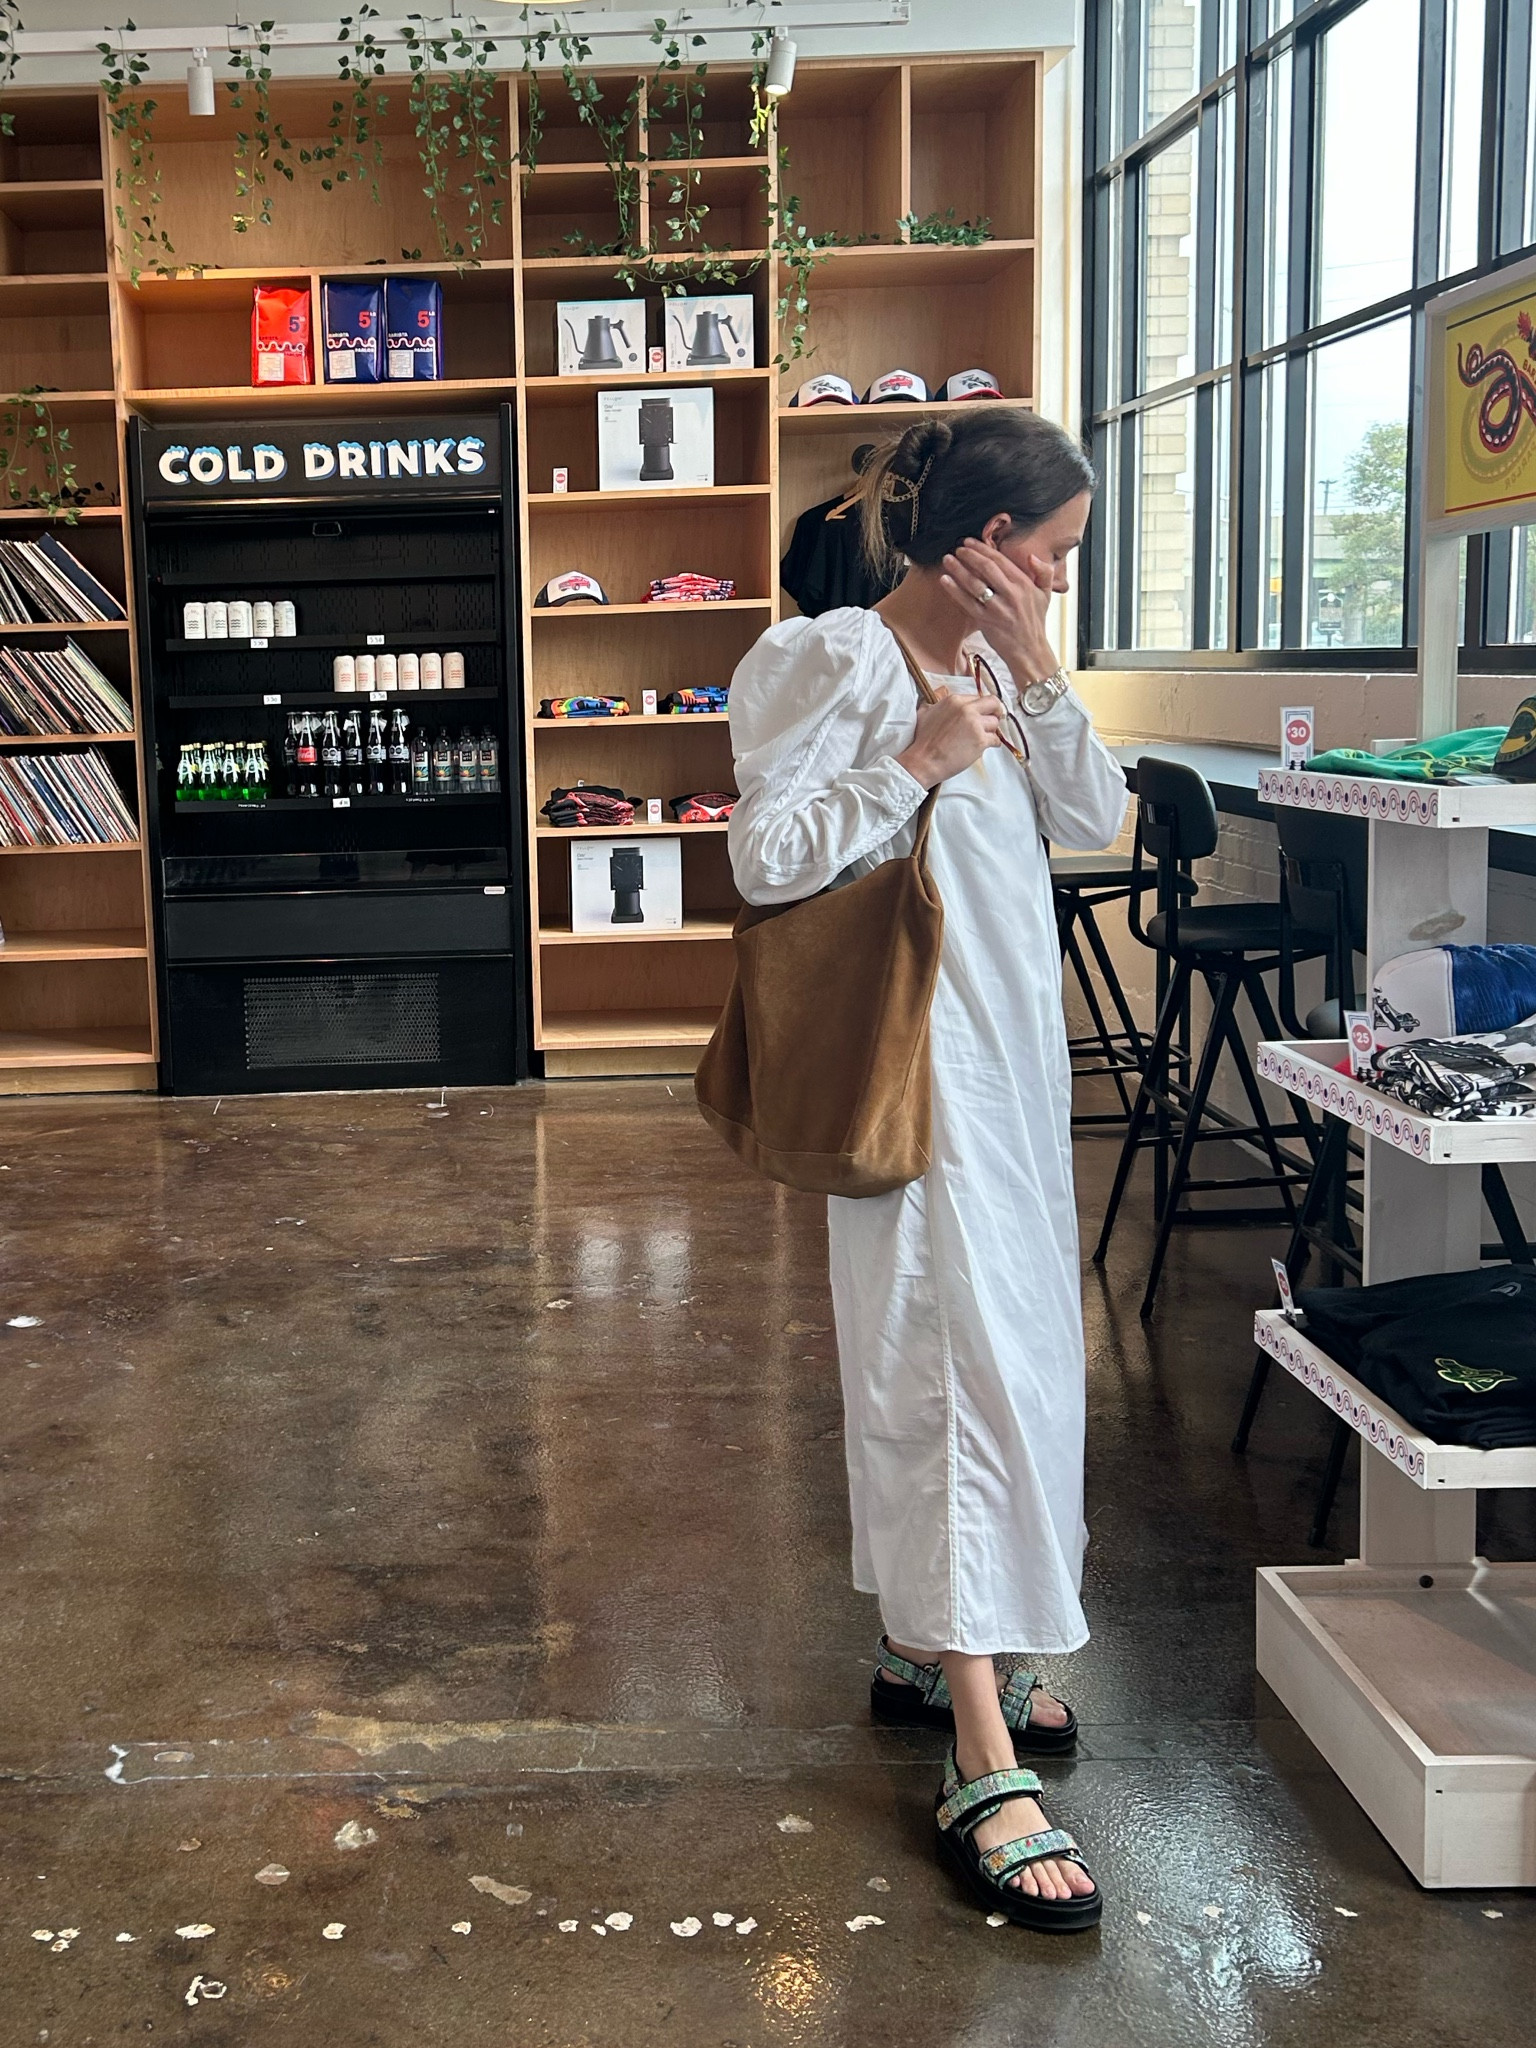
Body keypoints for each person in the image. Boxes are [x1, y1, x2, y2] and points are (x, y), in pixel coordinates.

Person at [725, 409, 1128, 1932]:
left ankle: (927, 1646)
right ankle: (975, 1747)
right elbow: (770, 858)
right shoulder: (830, 662)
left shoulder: (1010, 671)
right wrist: (915, 755)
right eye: (1053, 555)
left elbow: (1095, 824)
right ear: (978, 548)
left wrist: (1030, 680)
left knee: (1014, 1362)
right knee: (944, 1372)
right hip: (913, 1077)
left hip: (1013, 1083)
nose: (1060, 582)